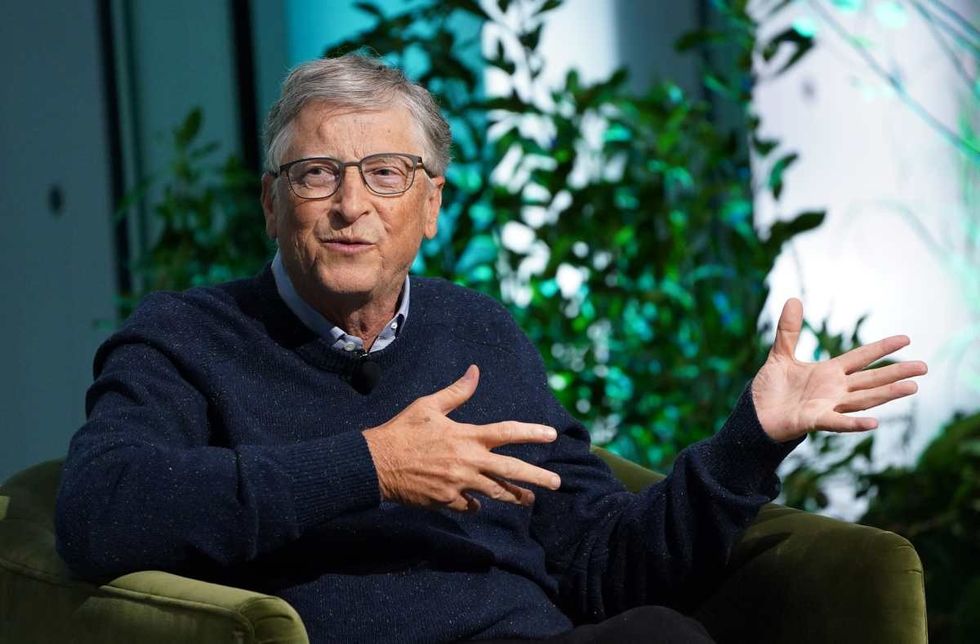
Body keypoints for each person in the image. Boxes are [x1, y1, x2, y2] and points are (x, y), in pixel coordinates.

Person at [55, 55, 927, 643]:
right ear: (271, 205)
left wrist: (751, 439)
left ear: (430, 207)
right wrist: (370, 466)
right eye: (316, 174)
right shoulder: (185, 338)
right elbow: (101, 512)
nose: (351, 205)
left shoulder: (477, 331)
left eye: (386, 173)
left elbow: (601, 564)